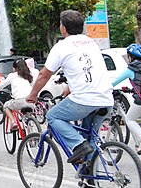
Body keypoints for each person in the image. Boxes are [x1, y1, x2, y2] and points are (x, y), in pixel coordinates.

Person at [26, 10, 113, 165]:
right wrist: (69, 87)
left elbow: (43, 76)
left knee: (52, 116)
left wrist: (33, 95)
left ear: (63, 28)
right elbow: (84, 68)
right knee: (91, 139)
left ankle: (78, 144)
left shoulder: (62, 46)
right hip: (106, 99)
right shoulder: (91, 42)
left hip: (84, 100)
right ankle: (90, 178)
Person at [0, 59, 34, 130]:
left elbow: (3, 84)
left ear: (15, 68)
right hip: (31, 102)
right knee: (27, 116)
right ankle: (31, 137)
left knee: (6, 106)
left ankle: (13, 122)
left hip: (19, 101)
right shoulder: (28, 76)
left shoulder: (12, 75)